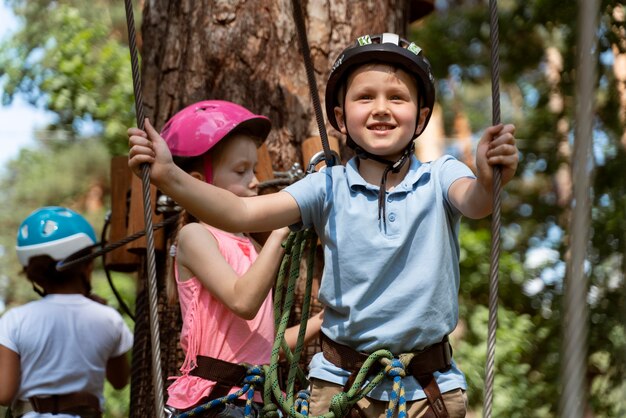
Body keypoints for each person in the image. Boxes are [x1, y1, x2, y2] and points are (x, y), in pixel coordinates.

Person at [128, 33, 518, 418]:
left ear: (421, 116)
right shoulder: (327, 186)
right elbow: (239, 213)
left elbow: (476, 202)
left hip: (428, 388)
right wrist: (169, 177)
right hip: (340, 389)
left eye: (397, 97)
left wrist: (487, 178)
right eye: (365, 97)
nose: (381, 108)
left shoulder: (441, 175)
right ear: (338, 117)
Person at [154, 100, 323, 418]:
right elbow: (242, 300)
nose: (255, 181)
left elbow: (264, 345)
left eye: (254, 170)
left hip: (253, 398)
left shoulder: (251, 249)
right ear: (199, 183)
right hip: (213, 399)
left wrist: (322, 321)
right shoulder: (195, 237)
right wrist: (283, 229)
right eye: (241, 171)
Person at [0, 206, 133, 418]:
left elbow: (4, 393)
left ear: (34, 275)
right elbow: (119, 381)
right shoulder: (108, 318)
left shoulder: (15, 320)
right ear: (87, 265)